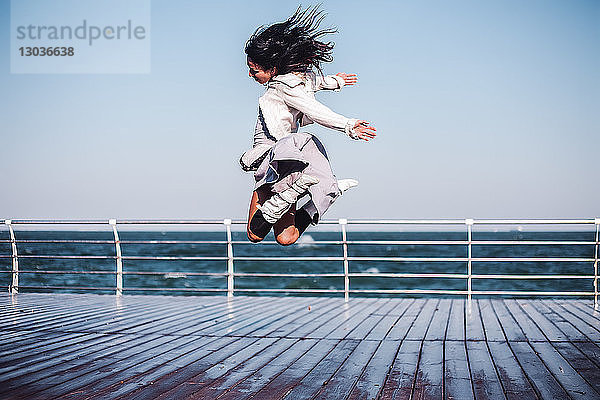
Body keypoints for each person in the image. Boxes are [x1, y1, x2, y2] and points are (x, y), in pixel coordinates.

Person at [240, 6, 376, 246]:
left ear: (272, 69)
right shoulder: (295, 81)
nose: (251, 75)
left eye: (255, 71)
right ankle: (316, 197)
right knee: (286, 237)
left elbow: (315, 110)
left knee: (254, 234)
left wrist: (348, 125)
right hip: (289, 159)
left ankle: (295, 190)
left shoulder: (281, 87)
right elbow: (312, 84)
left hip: (271, 156)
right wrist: (336, 82)